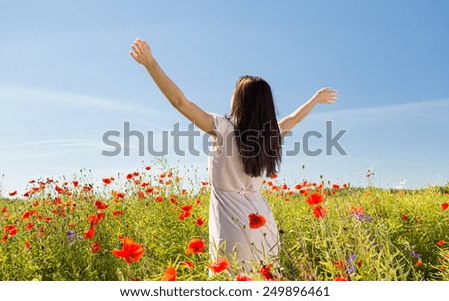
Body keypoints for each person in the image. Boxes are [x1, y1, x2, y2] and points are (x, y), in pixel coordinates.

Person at [130, 38, 337, 274]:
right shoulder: (270, 135)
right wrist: (315, 99)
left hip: (232, 224)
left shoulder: (222, 127)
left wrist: (150, 64)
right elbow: (295, 118)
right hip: (263, 223)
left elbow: (180, 102)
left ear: (240, 101)